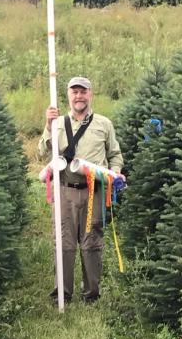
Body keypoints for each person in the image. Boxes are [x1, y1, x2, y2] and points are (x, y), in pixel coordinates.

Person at [38, 76, 123, 303]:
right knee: (63, 241)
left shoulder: (104, 124)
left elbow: (115, 155)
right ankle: (62, 294)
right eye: (74, 92)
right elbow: (42, 153)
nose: (79, 96)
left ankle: (91, 295)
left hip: (93, 192)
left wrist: (114, 174)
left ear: (90, 94)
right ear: (68, 95)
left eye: (83, 91)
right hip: (65, 190)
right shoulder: (57, 123)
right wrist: (48, 125)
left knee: (91, 241)